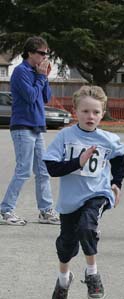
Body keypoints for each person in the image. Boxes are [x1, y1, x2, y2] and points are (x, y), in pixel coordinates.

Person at [43, 85, 124, 299]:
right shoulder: (65, 136)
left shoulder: (108, 139)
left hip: (97, 193)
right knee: (66, 245)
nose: (91, 116)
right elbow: (52, 167)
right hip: (70, 200)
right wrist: (77, 162)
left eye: (96, 112)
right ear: (75, 111)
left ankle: (92, 274)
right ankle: (63, 280)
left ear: (102, 113)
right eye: (86, 111)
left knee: (87, 227)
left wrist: (116, 184)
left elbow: (119, 159)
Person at [0, 36, 59, 226]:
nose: (45, 57)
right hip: (22, 127)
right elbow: (31, 96)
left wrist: (44, 77)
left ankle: (45, 211)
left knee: (43, 171)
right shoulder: (20, 72)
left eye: (46, 54)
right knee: (23, 171)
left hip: (37, 127)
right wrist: (40, 77)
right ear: (31, 53)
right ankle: (6, 211)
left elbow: (46, 98)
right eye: (42, 53)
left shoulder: (36, 72)